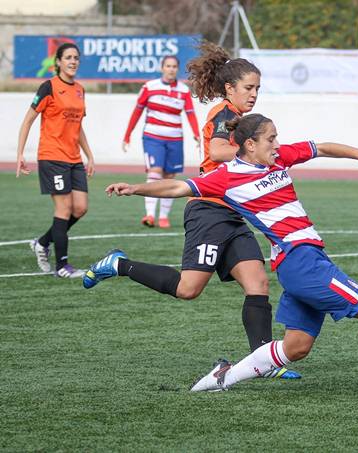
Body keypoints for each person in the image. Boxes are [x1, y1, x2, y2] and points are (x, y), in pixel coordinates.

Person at [104, 113, 358, 392]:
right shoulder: (226, 177)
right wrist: (136, 188)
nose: (277, 143)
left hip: (303, 260)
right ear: (249, 144)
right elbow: (177, 188)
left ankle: (222, 379)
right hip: (300, 261)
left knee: (296, 347)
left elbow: (321, 146)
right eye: (270, 138)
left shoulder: (279, 159)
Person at [84, 42, 298, 379]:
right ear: (230, 88)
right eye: (249, 87)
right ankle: (118, 264)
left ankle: (264, 361)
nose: (254, 93)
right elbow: (215, 148)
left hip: (232, 215)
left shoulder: (243, 120)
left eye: (258, 88)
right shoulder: (225, 114)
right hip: (208, 213)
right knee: (188, 289)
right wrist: (257, 152)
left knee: (257, 283)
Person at [16, 42, 95, 278]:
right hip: (52, 157)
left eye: (76, 58)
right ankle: (62, 267)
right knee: (64, 208)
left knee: (80, 208)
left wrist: (89, 154)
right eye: (68, 57)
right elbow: (28, 120)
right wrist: (20, 153)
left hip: (73, 158)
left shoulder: (80, 89)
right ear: (58, 62)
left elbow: (77, 126)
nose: (73, 61)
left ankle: (42, 242)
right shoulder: (48, 87)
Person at [122, 55, 200, 228]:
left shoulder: (183, 90)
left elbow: (190, 113)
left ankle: (163, 216)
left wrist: (196, 134)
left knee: (170, 176)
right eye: (168, 66)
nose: (171, 69)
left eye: (174, 66)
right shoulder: (149, 87)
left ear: (177, 69)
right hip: (153, 137)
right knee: (155, 172)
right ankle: (150, 215)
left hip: (175, 139)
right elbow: (137, 111)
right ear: (162, 68)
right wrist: (128, 134)